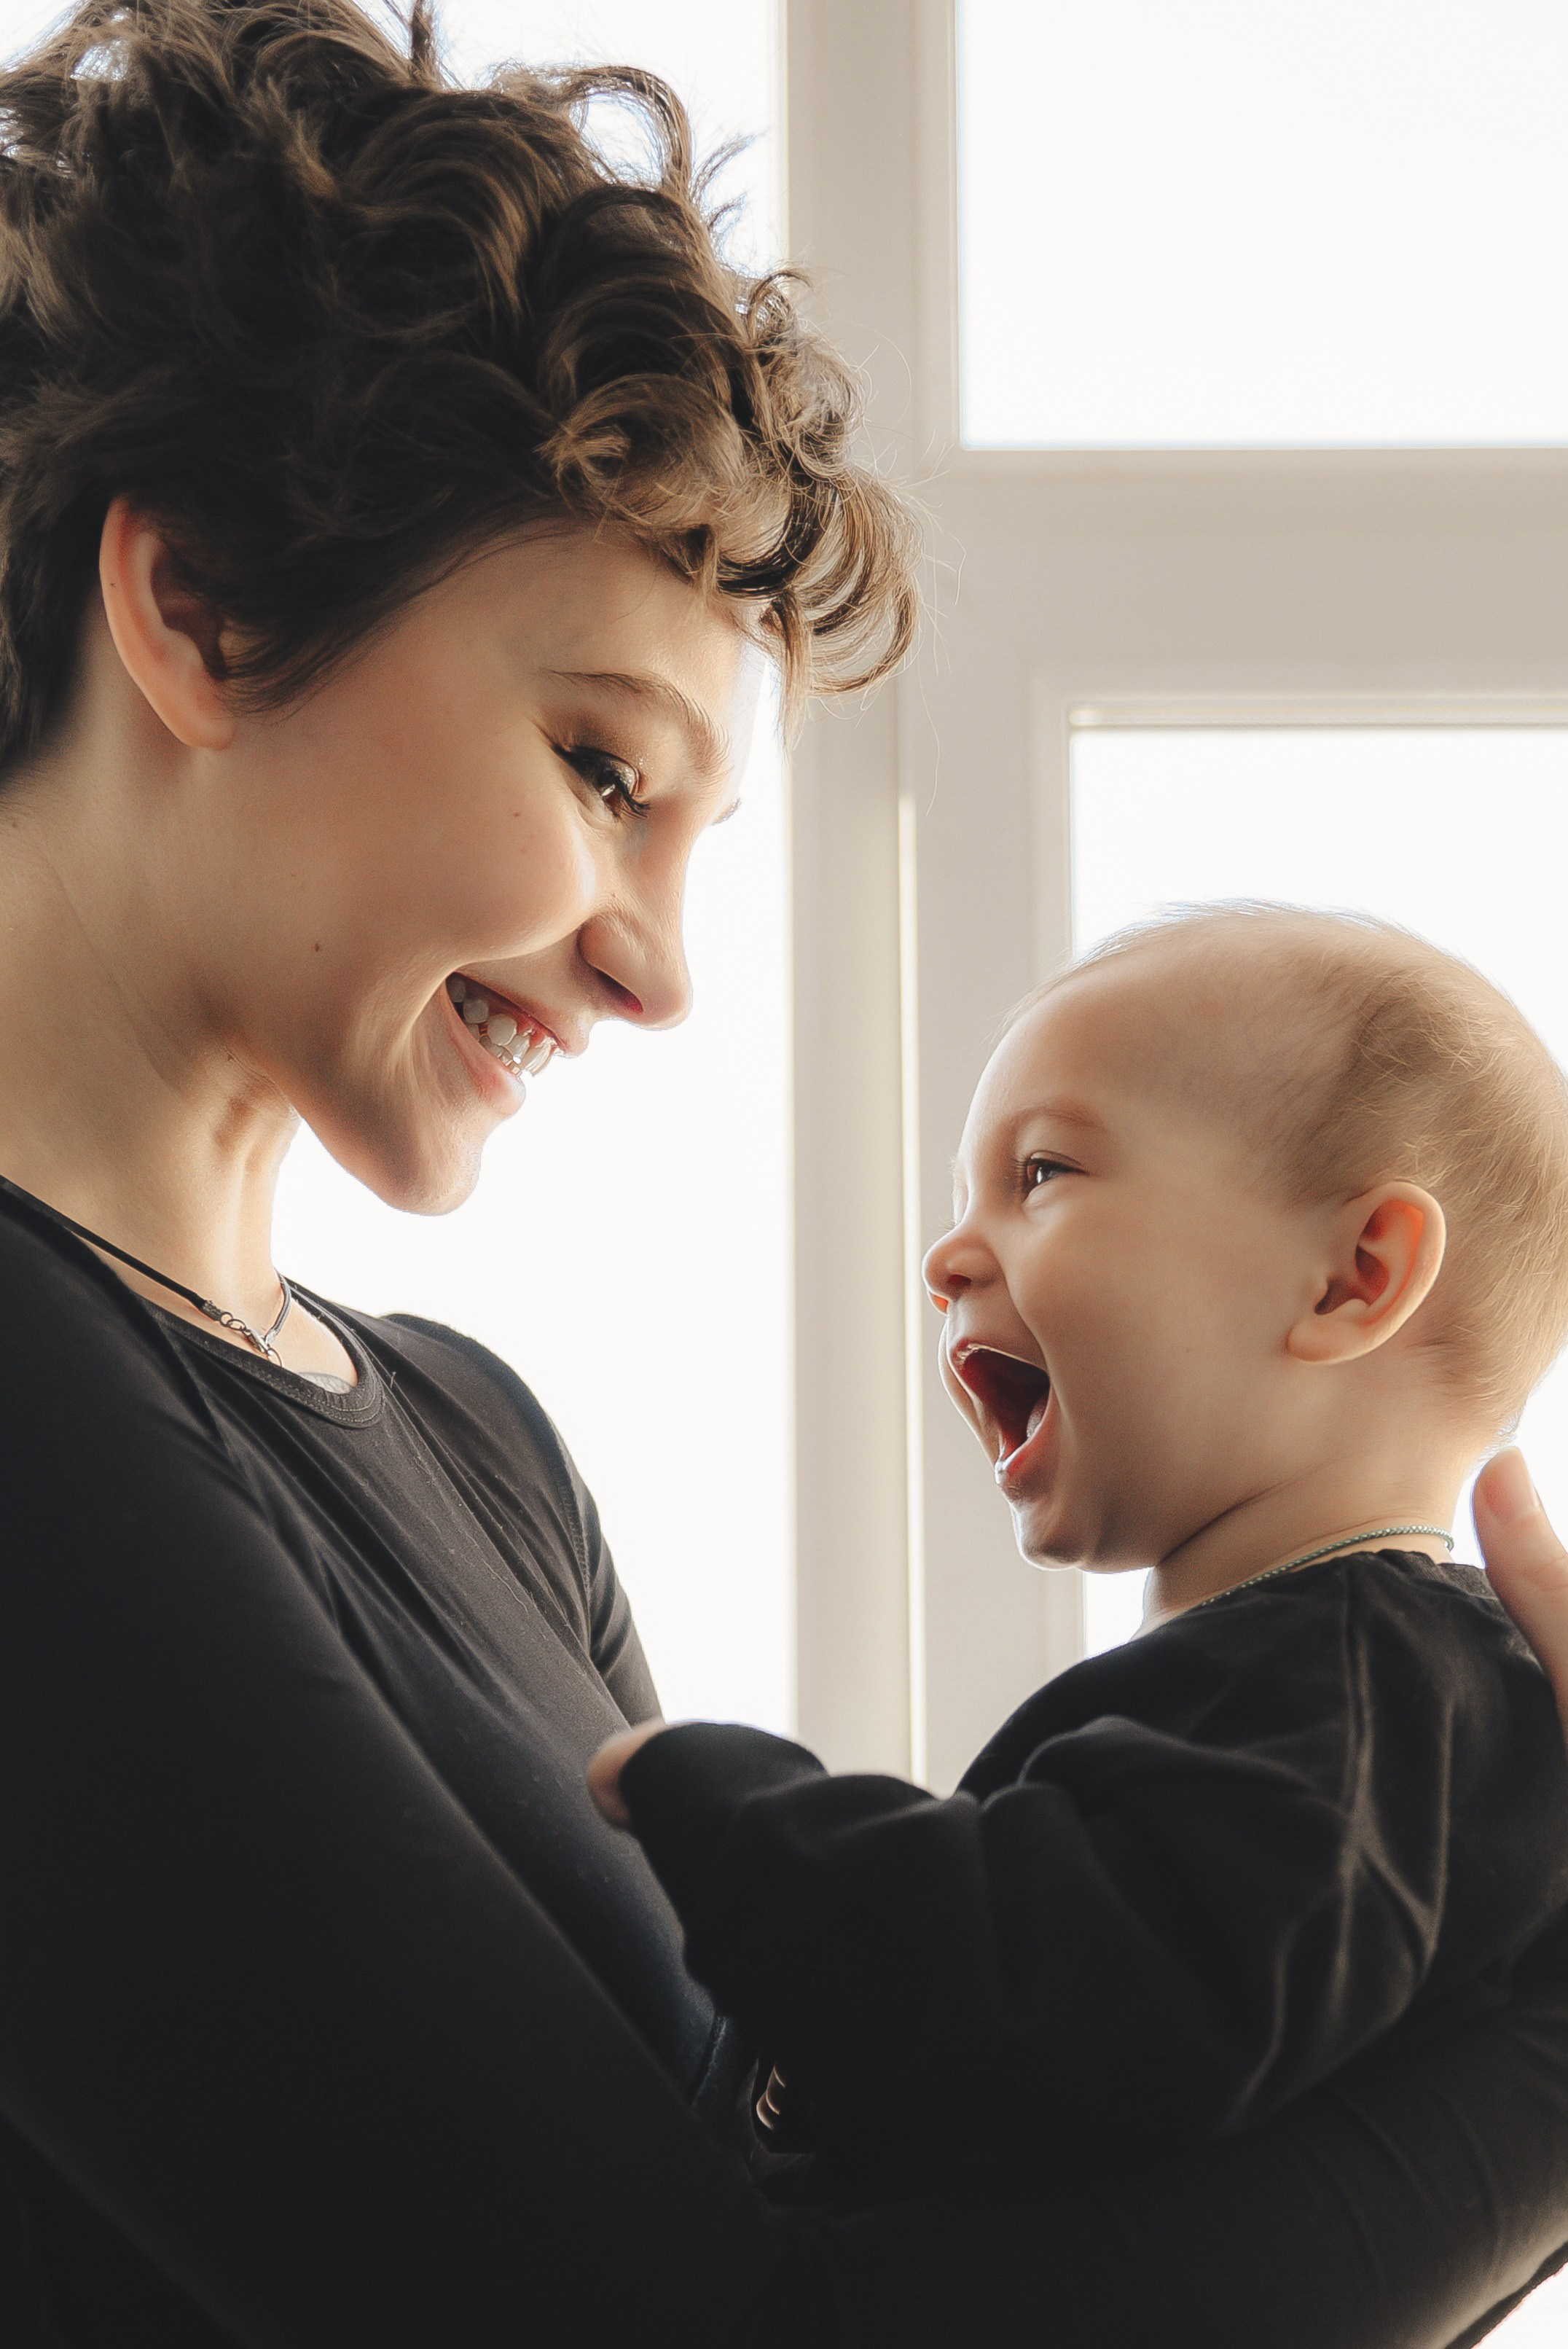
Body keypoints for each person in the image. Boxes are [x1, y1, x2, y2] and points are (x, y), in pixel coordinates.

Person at [0, 4, 1566, 2344]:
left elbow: (852, 2229)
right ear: (203, 605)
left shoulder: (479, 1443)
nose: (659, 973)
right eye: (601, 766)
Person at [590, 907, 1568, 2195]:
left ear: (1350, 1280)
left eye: (1043, 1172)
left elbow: (1103, 1994)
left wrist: (738, 1813)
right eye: (962, 1198)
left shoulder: (1368, 1686)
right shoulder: (1345, 1691)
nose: (943, 1257)